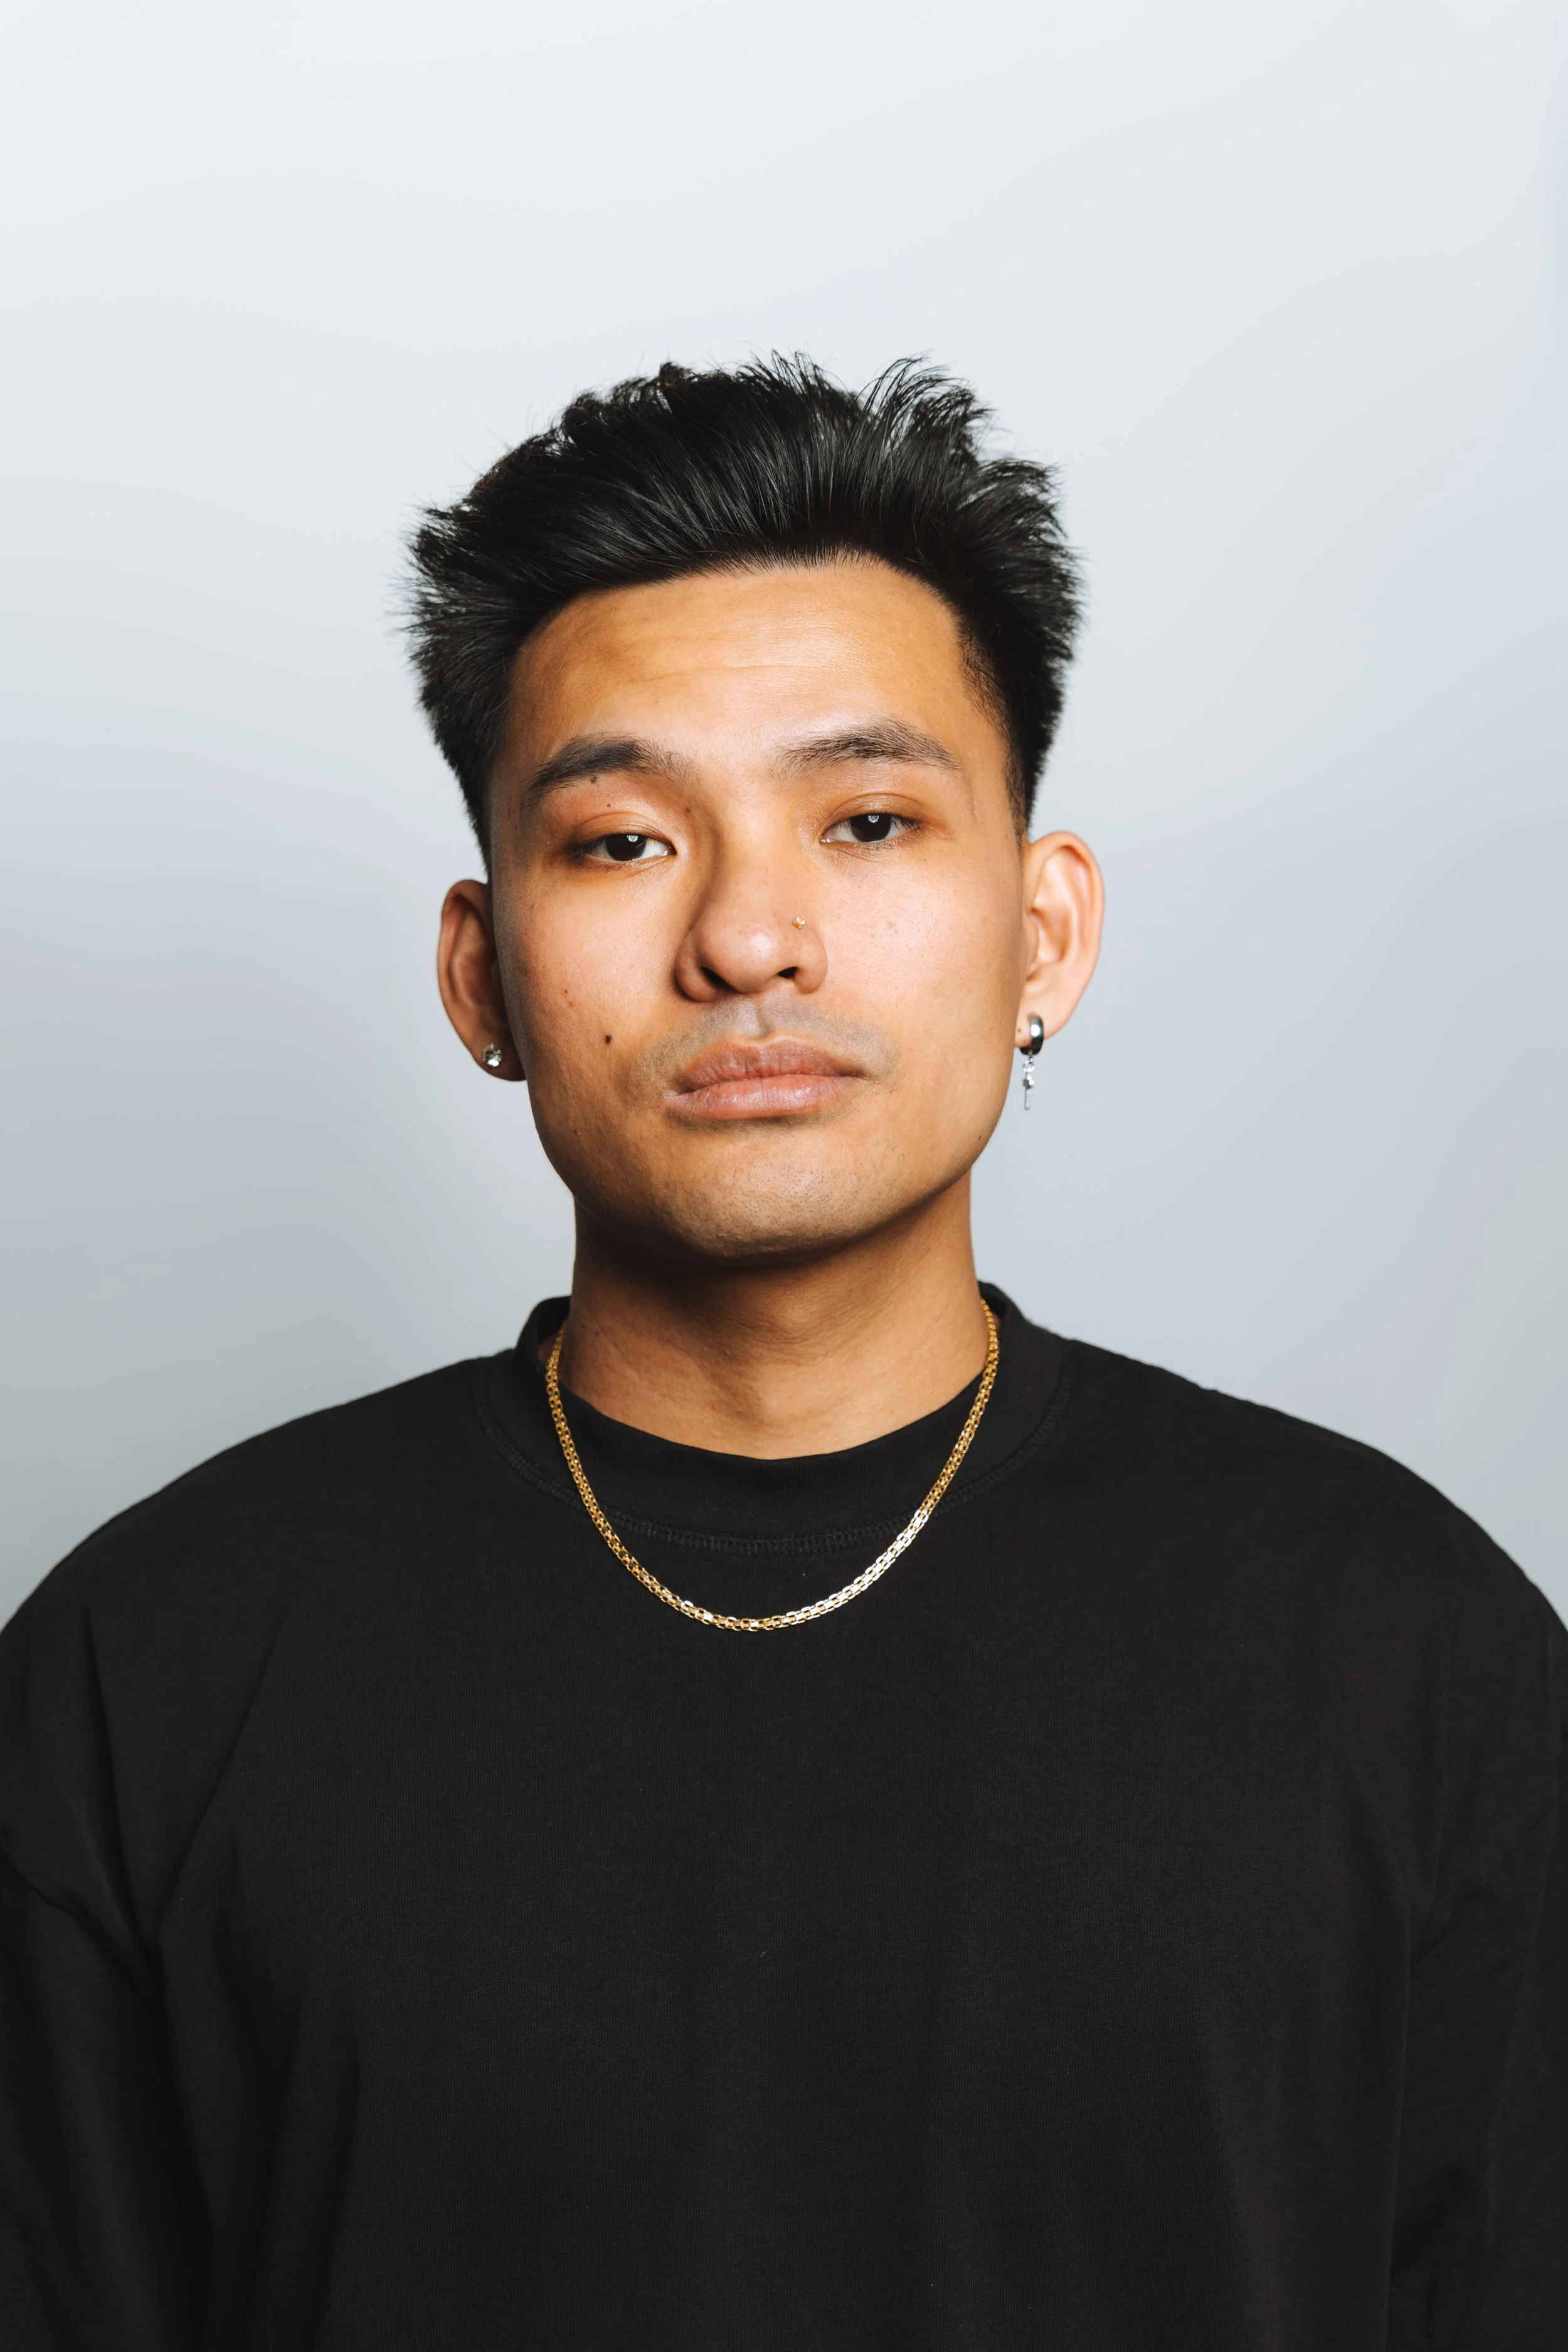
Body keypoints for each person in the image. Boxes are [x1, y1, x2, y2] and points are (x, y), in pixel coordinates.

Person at [1, 358, 1562, 2350]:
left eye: (869, 817)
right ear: (484, 970)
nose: (751, 937)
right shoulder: (153, 1669)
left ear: (1044, 931)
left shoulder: (1404, 1642)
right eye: (623, 842)